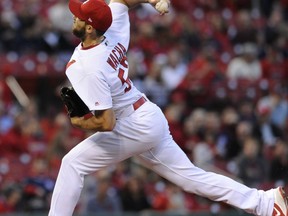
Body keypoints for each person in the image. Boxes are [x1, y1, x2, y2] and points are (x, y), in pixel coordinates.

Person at [48, 0, 288, 215]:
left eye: (79, 16)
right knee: (191, 179)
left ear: (90, 28)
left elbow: (106, 122)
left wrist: (80, 122)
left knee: (73, 163)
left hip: (132, 123)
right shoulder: (111, 29)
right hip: (145, 114)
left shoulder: (84, 66)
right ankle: (265, 203)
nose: (74, 16)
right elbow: (121, 1)